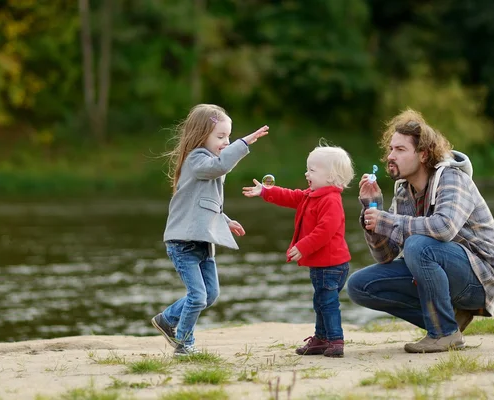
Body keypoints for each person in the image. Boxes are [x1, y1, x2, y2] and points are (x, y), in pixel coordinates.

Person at [346, 109, 494, 353]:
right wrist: (374, 209)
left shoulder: (452, 178)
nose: (390, 156)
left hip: (481, 275)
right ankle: (447, 321)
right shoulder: (403, 191)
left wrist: (387, 220)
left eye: (400, 150)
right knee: (360, 285)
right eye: (390, 149)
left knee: (417, 245)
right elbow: (386, 256)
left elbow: (443, 228)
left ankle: (443, 333)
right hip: (441, 266)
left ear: (422, 154)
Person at [152, 104, 269, 357]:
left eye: (229, 137)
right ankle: (184, 344)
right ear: (200, 135)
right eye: (221, 137)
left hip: (203, 242)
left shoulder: (209, 163)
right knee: (197, 296)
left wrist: (225, 220)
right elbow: (221, 166)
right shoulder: (196, 160)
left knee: (210, 294)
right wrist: (244, 142)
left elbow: (204, 204)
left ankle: (167, 319)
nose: (226, 142)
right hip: (183, 243)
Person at [242, 142, 354, 357]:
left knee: (327, 302)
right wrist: (266, 191)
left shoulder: (330, 200)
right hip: (322, 264)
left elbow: (325, 230)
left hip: (331, 265)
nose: (306, 173)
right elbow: (290, 196)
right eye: (307, 168)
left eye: (312, 170)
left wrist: (302, 246)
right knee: (321, 300)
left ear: (331, 176)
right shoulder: (312, 195)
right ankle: (321, 338)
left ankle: (335, 340)